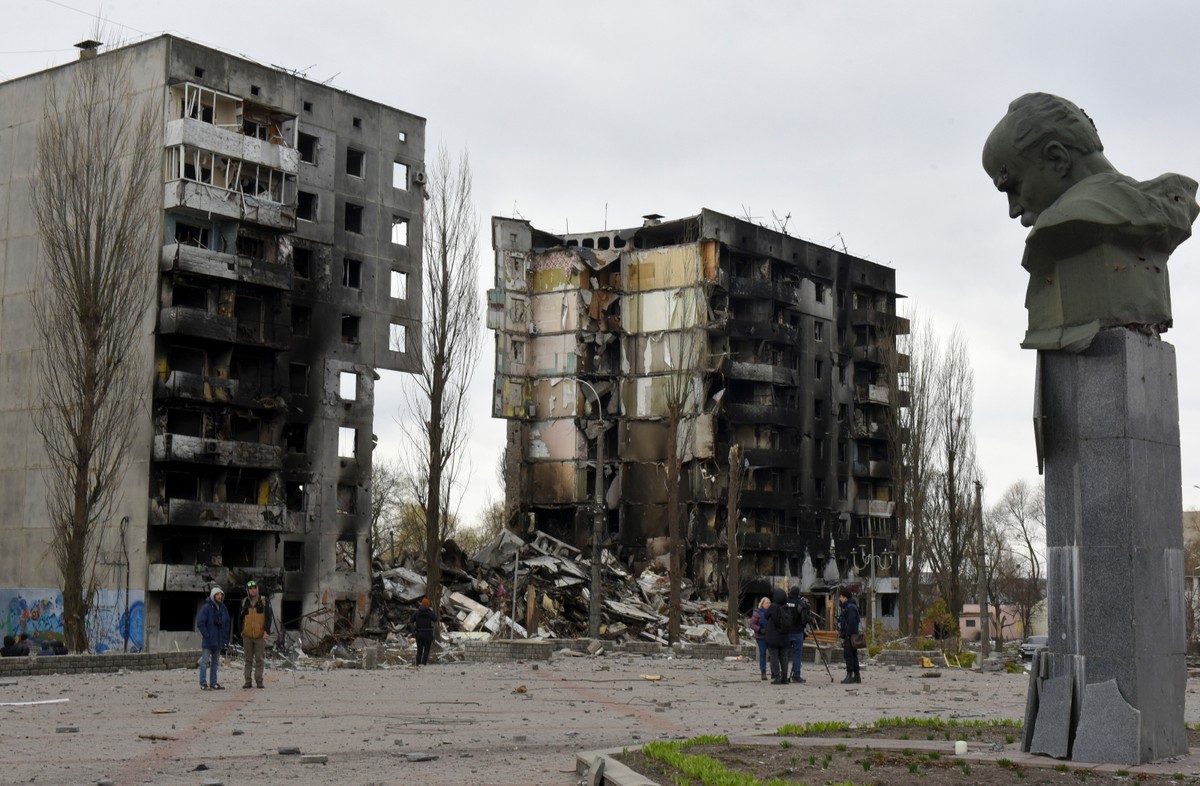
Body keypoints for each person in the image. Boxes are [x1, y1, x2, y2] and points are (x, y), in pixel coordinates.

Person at [982, 92, 1199, 352]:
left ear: (1058, 159)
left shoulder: (1074, 222)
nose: (1013, 209)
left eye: (1014, 187)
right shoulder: (1159, 204)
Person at [238, 580, 274, 689]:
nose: (252, 590)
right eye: (250, 588)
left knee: (259, 659)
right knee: (248, 660)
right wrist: (241, 632)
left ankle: (259, 680)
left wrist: (266, 631)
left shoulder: (264, 601)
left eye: (254, 588)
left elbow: (268, 617)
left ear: (257, 589)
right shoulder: (244, 602)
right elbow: (240, 618)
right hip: (247, 636)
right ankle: (247, 681)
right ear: (248, 590)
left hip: (260, 635)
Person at [196, 586, 230, 690]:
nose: (220, 596)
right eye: (218, 594)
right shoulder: (206, 608)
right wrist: (207, 635)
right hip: (209, 640)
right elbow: (200, 623)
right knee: (205, 662)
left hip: (219, 640)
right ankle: (203, 683)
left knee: (215, 662)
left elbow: (227, 623)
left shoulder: (223, 608)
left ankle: (213, 682)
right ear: (213, 596)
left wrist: (225, 636)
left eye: (221, 595)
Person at [763, 587, 791, 685]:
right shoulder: (786, 607)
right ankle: (784, 676)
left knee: (774, 656)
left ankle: (777, 676)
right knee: (784, 656)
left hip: (773, 637)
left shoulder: (773, 606)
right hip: (784, 637)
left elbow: (766, 616)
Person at [838, 588, 861, 684]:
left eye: (841, 597)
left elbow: (851, 623)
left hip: (849, 636)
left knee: (849, 656)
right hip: (851, 635)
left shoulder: (850, 608)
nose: (840, 599)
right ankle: (856, 675)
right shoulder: (850, 606)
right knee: (853, 656)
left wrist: (846, 634)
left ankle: (850, 675)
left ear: (845, 597)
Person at [785, 587, 807, 684]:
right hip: (798, 632)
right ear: (798, 593)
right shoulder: (800, 603)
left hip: (787, 632)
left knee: (785, 654)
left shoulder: (785, 602)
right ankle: (796, 675)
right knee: (797, 654)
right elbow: (804, 618)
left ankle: (784, 675)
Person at [748, 597, 770, 681]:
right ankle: (763, 672)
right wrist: (759, 629)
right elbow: (752, 624)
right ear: (762, 604)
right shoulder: (757, 613)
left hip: (770, 636)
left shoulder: (771, 613)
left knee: (773, 654)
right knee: (763, 654)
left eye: (769, 603)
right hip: (761, 637)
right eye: (767, 603)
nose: (768, 604)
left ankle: (775, 673)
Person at [412, 597, 437, 666]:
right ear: (428, 605)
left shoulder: (417, 612)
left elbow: (411, 620)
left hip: (419, 633)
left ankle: (418, 664)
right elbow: (435, 619)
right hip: (428, 633)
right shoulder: (429, 612)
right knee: (426, 650)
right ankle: (423, 664)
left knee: (419, 650)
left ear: (422, 604)